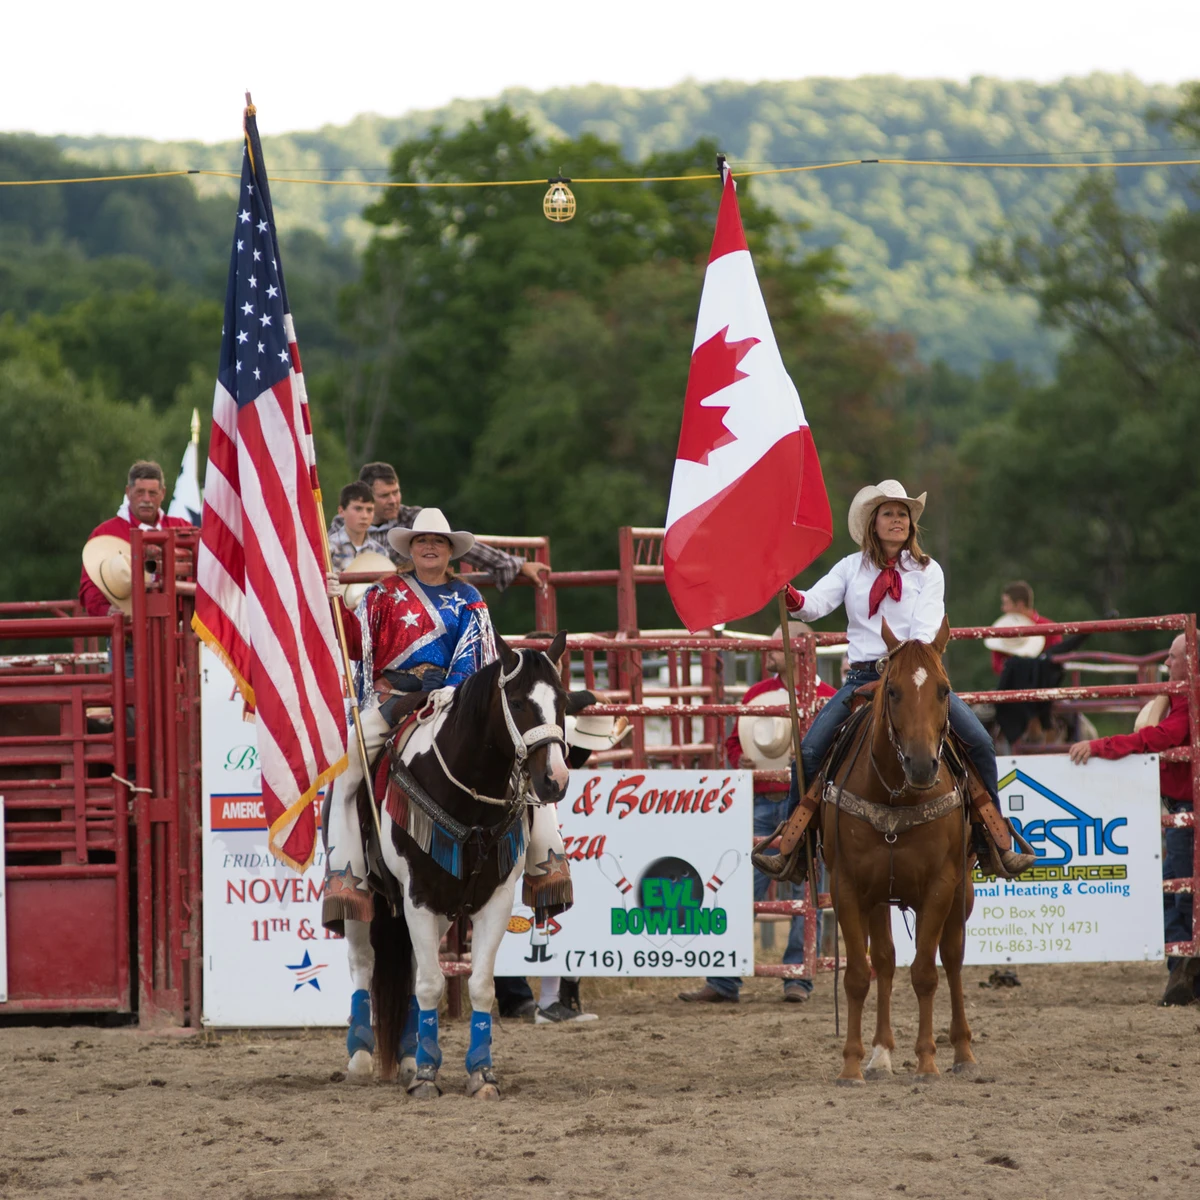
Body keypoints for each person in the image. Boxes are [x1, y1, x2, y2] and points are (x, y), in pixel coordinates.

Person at [779, 479, 1035, 877]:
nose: (897, 521)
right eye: (888, 514)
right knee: (810, 751)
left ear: (911, 525)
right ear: (873, 522)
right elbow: (815, 604)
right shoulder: (851, 567)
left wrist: (903, 658)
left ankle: (992, 838)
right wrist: (792, 596)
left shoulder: (928, 571)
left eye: (903, 514)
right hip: (863, 677)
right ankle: (794, 845)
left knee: (981, 743)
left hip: (916, 675)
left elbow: (927, 624)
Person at [321, 507, 498, 1066]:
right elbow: (356, 645)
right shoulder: (382, 595)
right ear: (408, 547)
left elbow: (486, 662)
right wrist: (332, 605)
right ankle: (346, 871)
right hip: (395, 701)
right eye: (421, 541)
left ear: (451, 551)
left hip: (461, 705)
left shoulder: (472, 601)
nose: (429, 549)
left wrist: (458, 696)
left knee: (522, 774)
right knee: (345, 774)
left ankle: (546, 860)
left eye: (438, 542)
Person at [679, 622, 836, 1005]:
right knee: (746, 887)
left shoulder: (826, 698)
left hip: (801, 803)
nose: (769, 653)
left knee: (802, 888)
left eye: (776, 647)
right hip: (769, 799)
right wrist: (741, 759)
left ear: (797, 649)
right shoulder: (773, 696)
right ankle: (731, 977)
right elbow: (735, 741)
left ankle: (788, 975)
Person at [1069, 633, 1198, 1006]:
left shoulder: (1186, 696)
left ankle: (1184, 970)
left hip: (1184, 806)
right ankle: (1183, 972)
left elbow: (1159, 737)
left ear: (1190, 661)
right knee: (1176, 891)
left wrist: (1100, 746)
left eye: (1173, 659)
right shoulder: (1179, 694)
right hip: (1180, 804)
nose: (1167, 665)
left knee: (1180, 892)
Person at [331, 462, 550, 592]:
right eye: (384, 495)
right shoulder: (342, 528)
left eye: (396, 492)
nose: (393, 500)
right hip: (355, 612)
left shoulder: (413, 519)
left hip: (409, 608)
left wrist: (514, 565)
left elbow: (460, 545)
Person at [79, 461, 194, 678]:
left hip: (179, 637)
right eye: (140, 492)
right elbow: (89, 589)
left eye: (152, 493)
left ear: (163, 494)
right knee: (131, 705)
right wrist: (107, 612)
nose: (147, 499)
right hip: (130, 639)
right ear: (128, 492)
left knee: (180, 702)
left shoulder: (182, 528)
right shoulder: (105, 533)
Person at [988, 581, 1062, 677]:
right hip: (1012, 684)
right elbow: (997, 665)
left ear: (1020, 605)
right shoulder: (1003, 627)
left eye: (1006, 603)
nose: (1003, 608)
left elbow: (1057, 660)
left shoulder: (1050, 628)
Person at [327, 481, 390, 572]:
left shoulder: (380, 552)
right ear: (341, 511)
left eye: (369, 510)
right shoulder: (328, 549)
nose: (364, 516)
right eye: (358, 509)